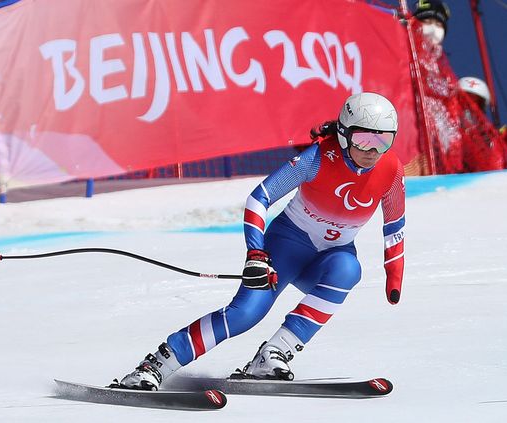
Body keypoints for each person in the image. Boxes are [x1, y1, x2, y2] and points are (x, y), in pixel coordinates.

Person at [117, 92, 406, 390]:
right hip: (288, 246)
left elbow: (395, 224)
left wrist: (394, 278)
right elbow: (259, 198)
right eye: (364, 140)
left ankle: (273, 354)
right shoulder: (317, 158)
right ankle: (155, 366)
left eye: (383, 140)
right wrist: (256, 254)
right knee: (244, 315)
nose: (373, 151)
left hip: (330, 258)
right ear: (344, 135)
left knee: (349, 269)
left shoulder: (392, 169)